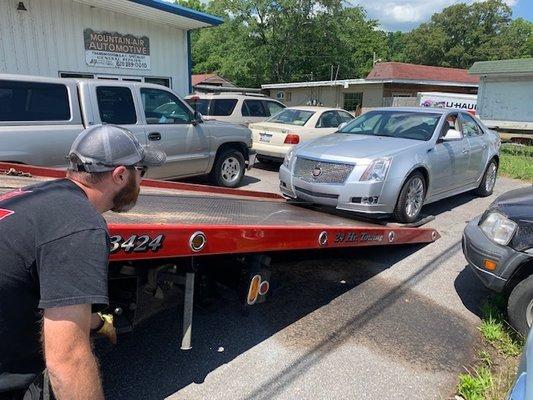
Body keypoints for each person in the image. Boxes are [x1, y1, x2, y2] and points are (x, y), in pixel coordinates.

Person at [0, 125, 166, 400]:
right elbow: (67, 361)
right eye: (141, 171)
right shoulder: (81, 225)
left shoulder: (38, 196)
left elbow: (45, 290)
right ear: (120, 175)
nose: (142, 181)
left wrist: (97, 323)